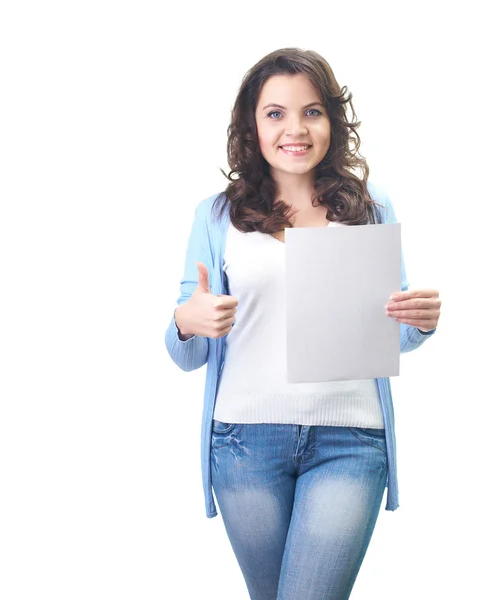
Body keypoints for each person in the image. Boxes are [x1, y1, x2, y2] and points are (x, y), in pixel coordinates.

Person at [164, 48, 441, 600]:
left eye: (312, 112)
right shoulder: (216, 216)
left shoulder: (369, 205)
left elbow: (394, 336)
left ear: (334, 122)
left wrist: (421, 322)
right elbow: (185, 353)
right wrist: (187, 322)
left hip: (350, 440)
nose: (296, 128)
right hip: (244, 443)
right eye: (276, 114)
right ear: (252, 124)